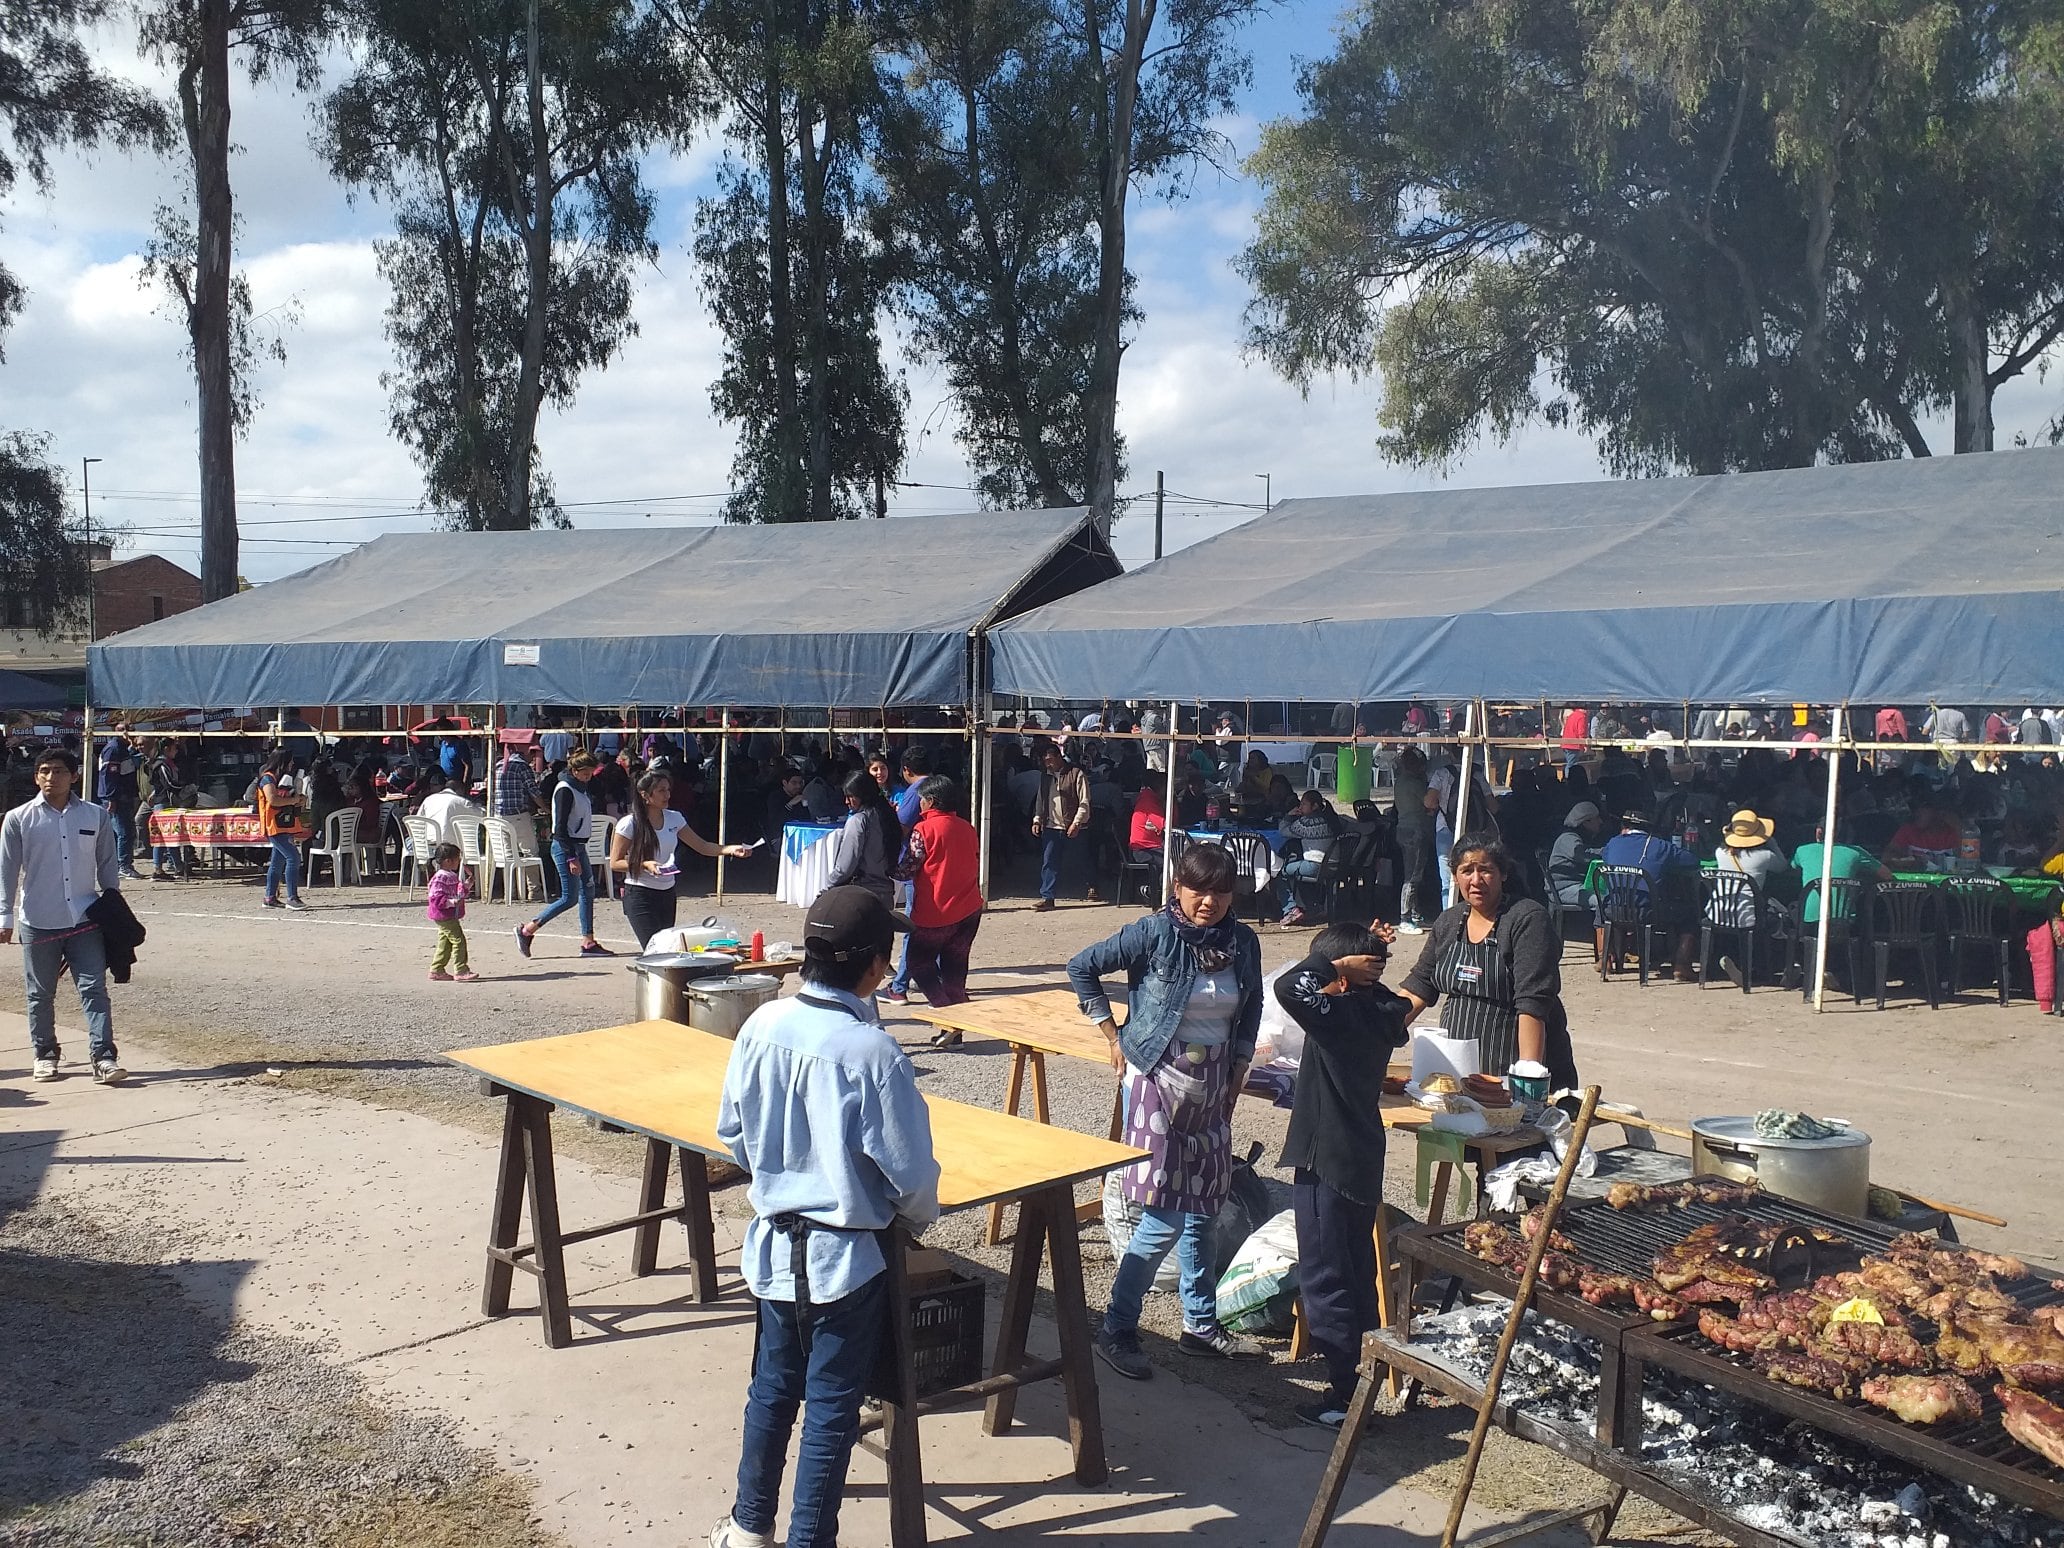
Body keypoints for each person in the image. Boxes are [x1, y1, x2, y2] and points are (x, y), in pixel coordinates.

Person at [709, 887, 941, 1548]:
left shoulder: (762, 1024)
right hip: (844, 1259)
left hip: (775, 1250)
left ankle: (749, 1525)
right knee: (833, 1407)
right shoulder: (870, 1051)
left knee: (773, 1391)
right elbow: (912, 1175)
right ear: (873, 965)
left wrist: (786, 1168)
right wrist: (912, 1217)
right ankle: (810, 1539)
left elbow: (733, 1132)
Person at [1068, 842, 1267, 1380]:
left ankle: (1199, 1326)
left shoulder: (1243, 942)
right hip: (1157, 1078)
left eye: (1221, 891)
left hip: (1214, 1082)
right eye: (1199, 889)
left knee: (1205, 1206)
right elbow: (1082, 967)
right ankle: (1117, 1326)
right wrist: (1110, 1032)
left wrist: (1242, 1063)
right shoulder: (1154, 932)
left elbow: (1251, 1008)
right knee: (1164, 1214)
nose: (1210, 901)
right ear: (1177, 887)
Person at [1273, 920, 1409, 1429]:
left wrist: (1336, 965)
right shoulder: (1381, 1010)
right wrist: (1365, 956)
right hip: (1361, 1154)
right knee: (1356, 1269)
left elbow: (1290, 986)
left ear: (1344, 980)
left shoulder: (1339, 1014)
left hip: (1325, 1156)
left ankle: (1344, 1394)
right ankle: (1365, 1372)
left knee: (1326, 1274)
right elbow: (1390, 1002)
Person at [1398, 832, 1575, 1083]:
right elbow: (1418, 988)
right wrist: (1376, 1034)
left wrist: (1528, 1076)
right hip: (1457, 1075)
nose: (1476, 880)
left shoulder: (1527, 919)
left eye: (1486, 870)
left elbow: (1533, 1003)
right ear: (1456, 876)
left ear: (1503, 874)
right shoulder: (1449, 921)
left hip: (1512, 1074)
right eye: (1467, 870)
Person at [0, 746, 127, 1083]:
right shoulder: (18, 819)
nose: (50, 778)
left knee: (94, 988)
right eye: (44, 770)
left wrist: (114, 904)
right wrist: (5, 918)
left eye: (57, 771)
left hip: (85, 919)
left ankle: (104, 1056)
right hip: (38, 921)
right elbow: (7, 871)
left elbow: (107, 863)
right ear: (35, 776)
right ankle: (44, 1053)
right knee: (40, 992)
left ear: (75, 776)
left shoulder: (94, 816)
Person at [610, 768, 752, 947]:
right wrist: (645, 864)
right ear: (645, 795)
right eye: (661, 790)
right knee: (654, 949)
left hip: (667, 893)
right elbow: (615, 862)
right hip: (639, 894)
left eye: (668, 789)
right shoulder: (629, 823)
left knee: (668, 948)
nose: (667, 795)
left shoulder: (674, 818)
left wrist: (730, 849)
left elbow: (702, 846)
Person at [900, 775, 984, 1028]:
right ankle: (955, 1028)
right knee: (955, 972)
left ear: (931, 801)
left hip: (935, 913)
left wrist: (883, 870)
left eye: (921, 800)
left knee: (918, 963)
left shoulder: (922, 830)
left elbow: (908, 868)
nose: (920, 805)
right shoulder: (967, 827)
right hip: (968, 910)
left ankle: (943, 1009)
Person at [516, 751, 609, 958]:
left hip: (579, 846)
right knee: (569, 898)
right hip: (566, 847)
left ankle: (588, 941)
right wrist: (570, 857)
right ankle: (527, 930)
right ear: (574, 771)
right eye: (585, 773)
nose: (588, 777)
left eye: (590, 773)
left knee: (588, 892)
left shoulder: (580, 788)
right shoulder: (565, 790)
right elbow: (560, 827)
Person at [1598, 809, 1700, 979]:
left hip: (1614, 910)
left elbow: (1606, 857)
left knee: (1601, 909)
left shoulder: (1613, 843)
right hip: (1648, 912)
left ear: (1624, 827)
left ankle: (1605, 959)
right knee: (1690, 913)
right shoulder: (1660, 846)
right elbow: (1692, 861)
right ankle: (1682, 965)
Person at [1031, 741, 1098, 911]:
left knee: (1083, 858)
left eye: (1051, 760)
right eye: (1046, 761)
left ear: (1059, 757)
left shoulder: (1076, 774)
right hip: (1052, 826)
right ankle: (1047, 896)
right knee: (1049, 862)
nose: (1048, 764)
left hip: (1074, 826)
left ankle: (1092, 886)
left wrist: (1077, 822)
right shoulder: (1045, 777)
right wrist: (1037, 819)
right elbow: (1041, 800)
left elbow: (1084, 801)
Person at [824, 771, 901, 905]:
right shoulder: (888, 816)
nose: (846, 801)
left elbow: (846, 866)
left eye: (850, 796)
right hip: (886, 894)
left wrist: (828, 885)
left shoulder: (859, 820)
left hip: (860, 896)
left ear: (863, 795)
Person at [1276, 789, 1343, 926]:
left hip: (1316, 866)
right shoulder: (1332, 819)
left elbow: (1283, 831)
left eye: (1304, 804)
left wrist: (1289, 815)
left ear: (1315, 806)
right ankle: (1313, 907)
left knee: (1279, 870)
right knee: (1297, 867)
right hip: (1336, 865)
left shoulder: (1306, 823)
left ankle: (1290, 909)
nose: (1300, 807)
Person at [256, 749, 310, 911]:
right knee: (294, 857)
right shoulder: (267, 778)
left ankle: (270, 897)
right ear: (282, 762)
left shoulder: (282, 779)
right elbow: (273, 800)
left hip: (284, 824)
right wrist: (293, 800)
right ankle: (292, 897)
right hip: (274, 825)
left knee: (277, 862)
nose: (292, 764)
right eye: (290, 761)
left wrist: (299, 799)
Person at [424, 841, 480, 982]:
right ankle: (461, 970)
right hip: (444, 915)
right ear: (449, 861)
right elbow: (436, 898)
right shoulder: (441, 877)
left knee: (445, 942)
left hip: (447, 915)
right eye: (457, 859)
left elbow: (458, 892)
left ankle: (437, 969)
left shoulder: (449, 875)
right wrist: (452, 902)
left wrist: (467, 885)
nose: (459, 862)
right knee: (458, 940)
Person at [1393, 747, 1434, 932]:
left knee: (1412, 874)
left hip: (1402, 828)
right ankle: (1405, 917)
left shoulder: (1400, 781)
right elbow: (1429, 803)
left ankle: (1415, 914)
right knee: (1413, 876)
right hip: (1415, 831)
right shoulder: (1415, 783)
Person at [96, 724, 143, 880]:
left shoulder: (123, 749)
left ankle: (118, 865)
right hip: (116, 798)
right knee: (124, 833)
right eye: (128, 731)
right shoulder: (113, 749)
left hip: (124, 796)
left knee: (120, 833)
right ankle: (124, 865)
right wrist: (111, 798)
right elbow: (108, 776)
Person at [1546, 801, 1606, 911]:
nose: (1600, 821)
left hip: (1576, 885)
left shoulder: (1579, 837)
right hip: (1564, 888)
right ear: (1585, 822)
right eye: (1596, 818)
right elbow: (1582, 855)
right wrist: (1607, 852)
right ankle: (1600, 928)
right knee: (1603, 901)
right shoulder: (1567, 838)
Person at [147, 738, 193, 880]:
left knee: (169, 837)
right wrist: (184, 787)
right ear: (166, 749)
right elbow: (169, 784)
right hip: (163, 805)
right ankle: (159, 869)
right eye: (174, 748)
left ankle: (177, 867)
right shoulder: (161, 765)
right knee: (163, 837)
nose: (176, 751)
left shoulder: (168, 764)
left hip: (167, 804)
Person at [1885, 792, 1962, 868]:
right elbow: (1886, 858)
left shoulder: (1952, 832)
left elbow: (1964, 861)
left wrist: (1957, 827)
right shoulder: (1907, 831)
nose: (1917, 813)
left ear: (1938, 811)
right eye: (1915, 808)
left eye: (1923, 808)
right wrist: (1902, 862)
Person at [416, 770, 486, 852]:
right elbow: (482, 815)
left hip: (427, 842)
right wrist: (480, 806)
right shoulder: (460, 801)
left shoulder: (428, 799)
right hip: (451, 844)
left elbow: (418, 820)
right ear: (459, 789)